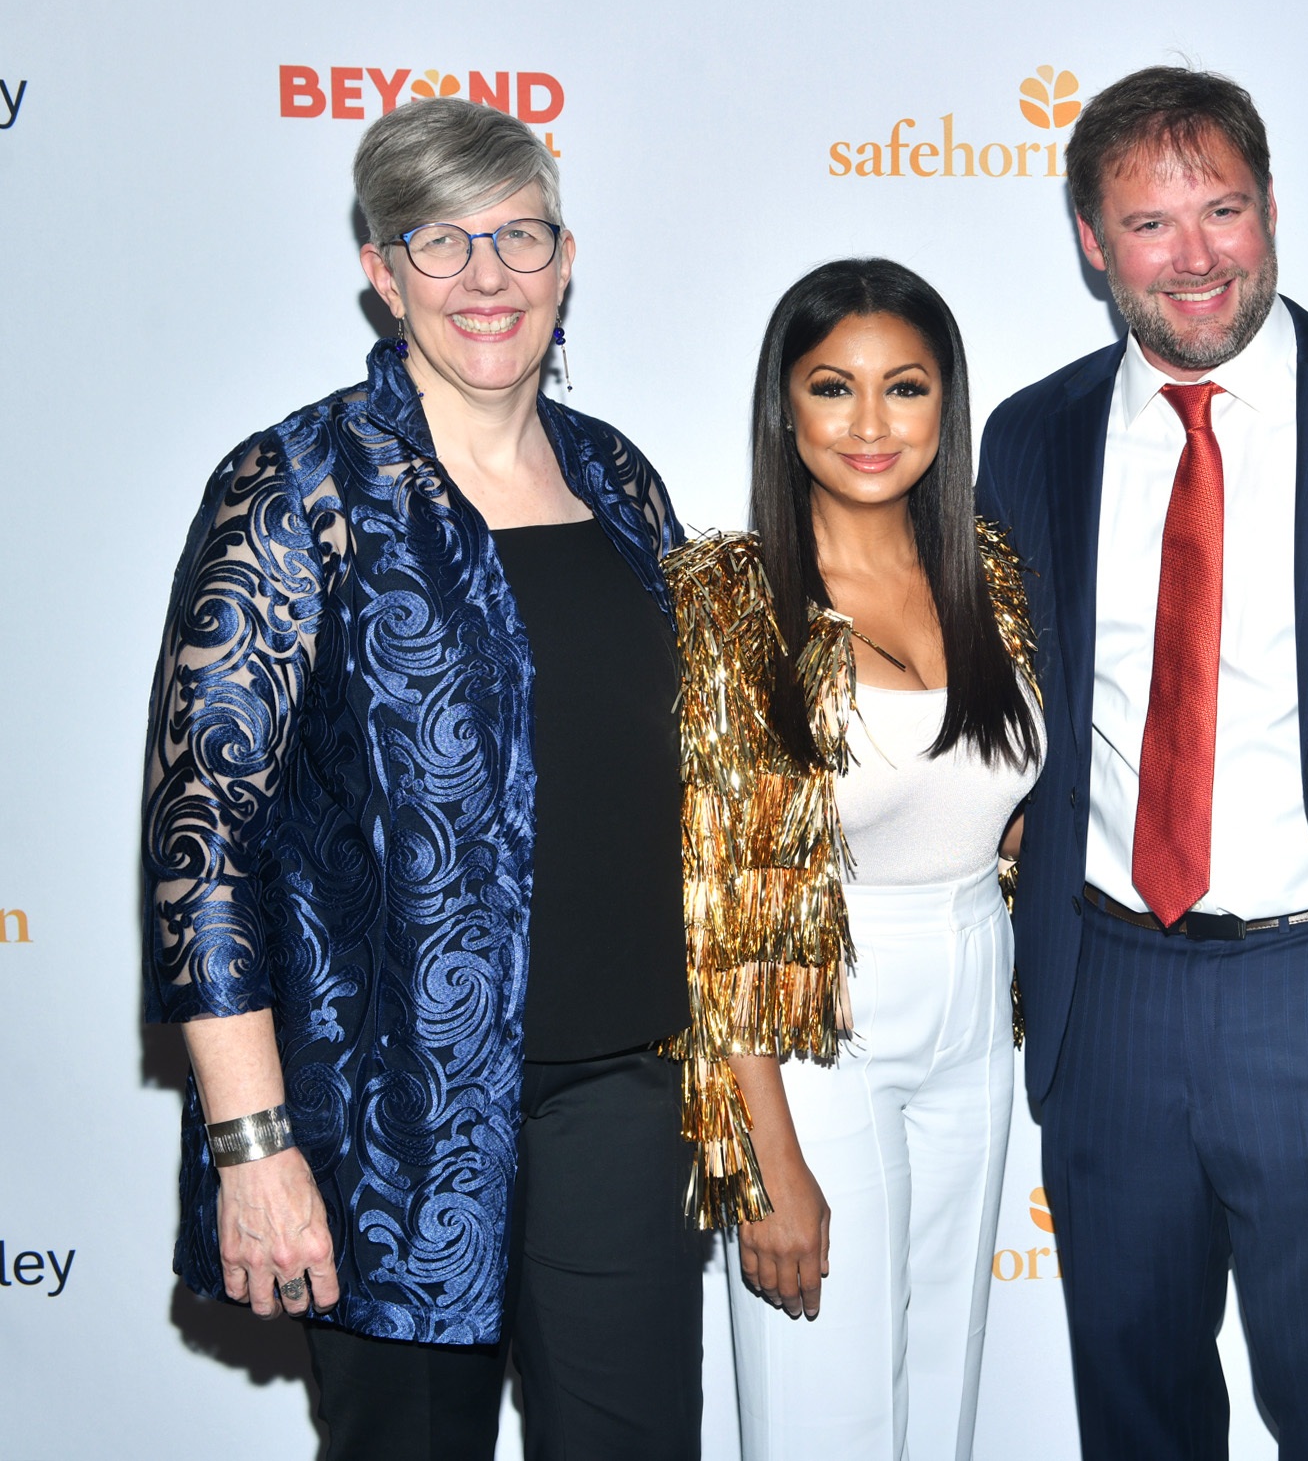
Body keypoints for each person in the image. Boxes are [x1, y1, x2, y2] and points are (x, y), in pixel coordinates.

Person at [140, 98, 699, 1458]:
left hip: (622, 1098)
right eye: (439, 241)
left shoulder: (621, 483)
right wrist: (252, 1143)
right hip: (389, 1121)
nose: (485, 276)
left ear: (567, 258)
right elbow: (205, 838)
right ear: (382, 273)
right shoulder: (297, 486)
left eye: (518, 236)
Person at [975, 66, 1308, 1459]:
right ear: (1090, 242)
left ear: (1270, 208)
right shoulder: (1029, 435)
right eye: (1149, 223)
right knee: (1135, 1416)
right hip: (1104, 988)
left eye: (1220, 209)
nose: (1194, 256)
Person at [666, 258, 1043, 1461]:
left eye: (906, 387)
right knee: (826, 1412)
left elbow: (997, 807)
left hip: (975, 1000)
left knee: (941, 1394)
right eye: (834, 387)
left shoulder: (988, 572)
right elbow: (715, 906)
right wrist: (766, 1161)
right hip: (816, 1023)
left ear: (947, 404)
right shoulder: (728, 601)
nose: (871, 424)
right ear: (785, 408)